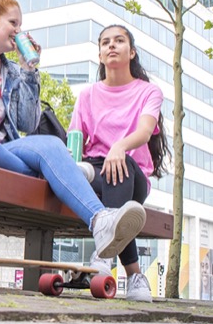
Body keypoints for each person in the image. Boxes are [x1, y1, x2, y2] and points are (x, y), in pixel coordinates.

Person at [0, 0, 147, 265]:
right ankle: (55, 176)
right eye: (13, 23)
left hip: (3, 150)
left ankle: (100, 220)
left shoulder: (13, 72)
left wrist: (29, 71)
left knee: (52, 145)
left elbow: (28, 124)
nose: (19, 31)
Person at [69, 24, 169, 302]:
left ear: (132, 52)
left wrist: (119, 146)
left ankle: (102, 255)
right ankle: (135, 276)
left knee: (119, 167)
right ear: (100, 55)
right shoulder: (87, 95)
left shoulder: (148, 92)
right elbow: (75, 139)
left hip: (132, 173)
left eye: (119, 41)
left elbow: (145, 132)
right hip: (96, 171)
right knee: (116, 206)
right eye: (105, 43)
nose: (111, 46)